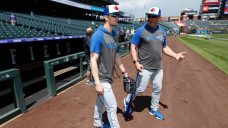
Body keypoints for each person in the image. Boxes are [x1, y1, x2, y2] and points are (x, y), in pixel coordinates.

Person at [123, 7, 186, 121]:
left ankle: (154, 109)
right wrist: (136, 62)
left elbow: (165, 47)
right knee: (140, 89)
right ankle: (128, 99)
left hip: (158, 67)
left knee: (157, 88)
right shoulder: (140, 30)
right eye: (149, 16)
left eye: (153, 16)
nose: (150, 18)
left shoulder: (162, 31)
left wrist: (176, 55)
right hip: (144, 67)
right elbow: (132, 47)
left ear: (159, 18)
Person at [90, 5, 129, 128]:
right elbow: (93, 59)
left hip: (109, 75)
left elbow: (116, 55)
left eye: (118, 16)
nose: (117, 18)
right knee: (112, 107)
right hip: (101, 77)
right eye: (114, 15)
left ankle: (97, 123)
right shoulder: (98, 35)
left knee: (100, 102)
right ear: (106, 17)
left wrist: (124, 71)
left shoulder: (114, 34)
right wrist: (97, 83)